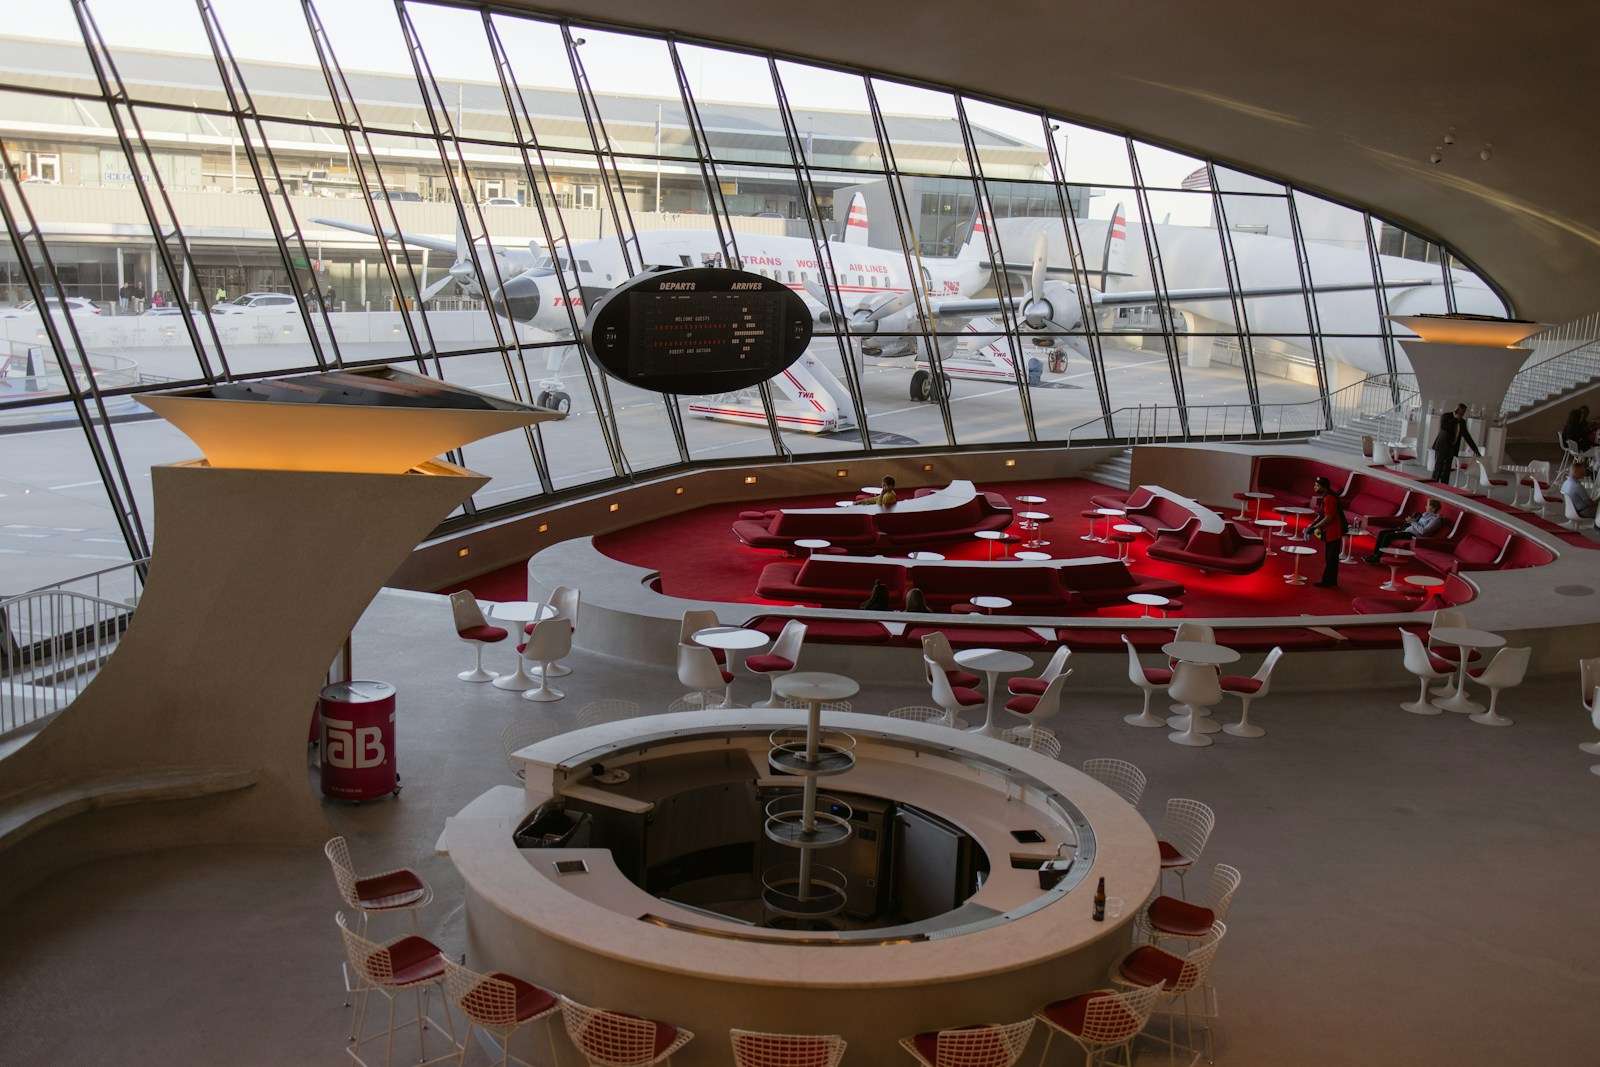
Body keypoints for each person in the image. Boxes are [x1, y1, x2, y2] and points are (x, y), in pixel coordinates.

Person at [1365, 498, 1444, 562]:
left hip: (1414, 536)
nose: (1425, 506)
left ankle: (1377, 557)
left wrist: (1412, 522)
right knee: (1382, 532)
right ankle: (1374, 555)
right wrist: (1411, 521)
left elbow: (1423, 531)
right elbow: (1417, 525)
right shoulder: (1425, 515)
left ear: (1433, 508)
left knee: (1388, 536)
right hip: (1407, 530)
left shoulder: (1436, 520)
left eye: (1427, 505)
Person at [1304, 475, 1345, 588]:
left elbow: (1328, 518)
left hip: (1333, 532)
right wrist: (1312, 525)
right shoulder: (1327, 496)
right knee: (1330, 558)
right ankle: (1331, 581)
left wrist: (1314, 528)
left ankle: (1328, 582)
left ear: (1324, 487)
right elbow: (1322, 515)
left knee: (1331, 558)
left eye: (1317, 485)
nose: (1315, 487)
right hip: (1330, 532)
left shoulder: (1329, 498)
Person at [1430, 403, 1481, 483]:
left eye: (1464, 412)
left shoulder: (1462, 422)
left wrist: (1475, 449)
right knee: (1438, 467)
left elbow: (1467, 436)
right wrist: (1455, 419)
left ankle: (1444, 486)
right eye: (1461, 412)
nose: (1463, 414)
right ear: (1457, 410)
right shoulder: (1446, 416)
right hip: (1442, 446)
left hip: (1451, 448)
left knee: (1447, 470)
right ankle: (1433, 484)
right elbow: (1444, 427)